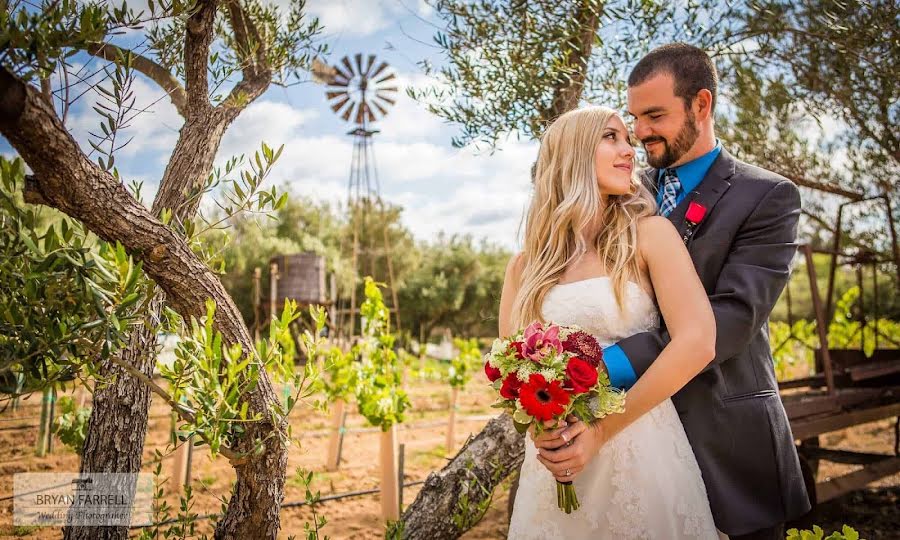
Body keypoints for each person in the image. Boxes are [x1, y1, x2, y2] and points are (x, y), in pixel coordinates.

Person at [522, 43, 810, 540]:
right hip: (618, 450)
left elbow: (730, 320)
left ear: (702, 105)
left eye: (655, 115)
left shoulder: (766, 197)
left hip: (725, 436)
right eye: (634, 118)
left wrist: (594, 364)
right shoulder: (623, 189)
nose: (641, 132)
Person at [502, 104, 725, 539]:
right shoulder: (523, 267)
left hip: (641, 449)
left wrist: (601, 432)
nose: (630, 151)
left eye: (628, 139)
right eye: (612, 137)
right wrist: (542, 431)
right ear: (572, 155)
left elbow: (698, 341)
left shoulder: (650, 235)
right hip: (555, 465)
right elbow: (511, 372)